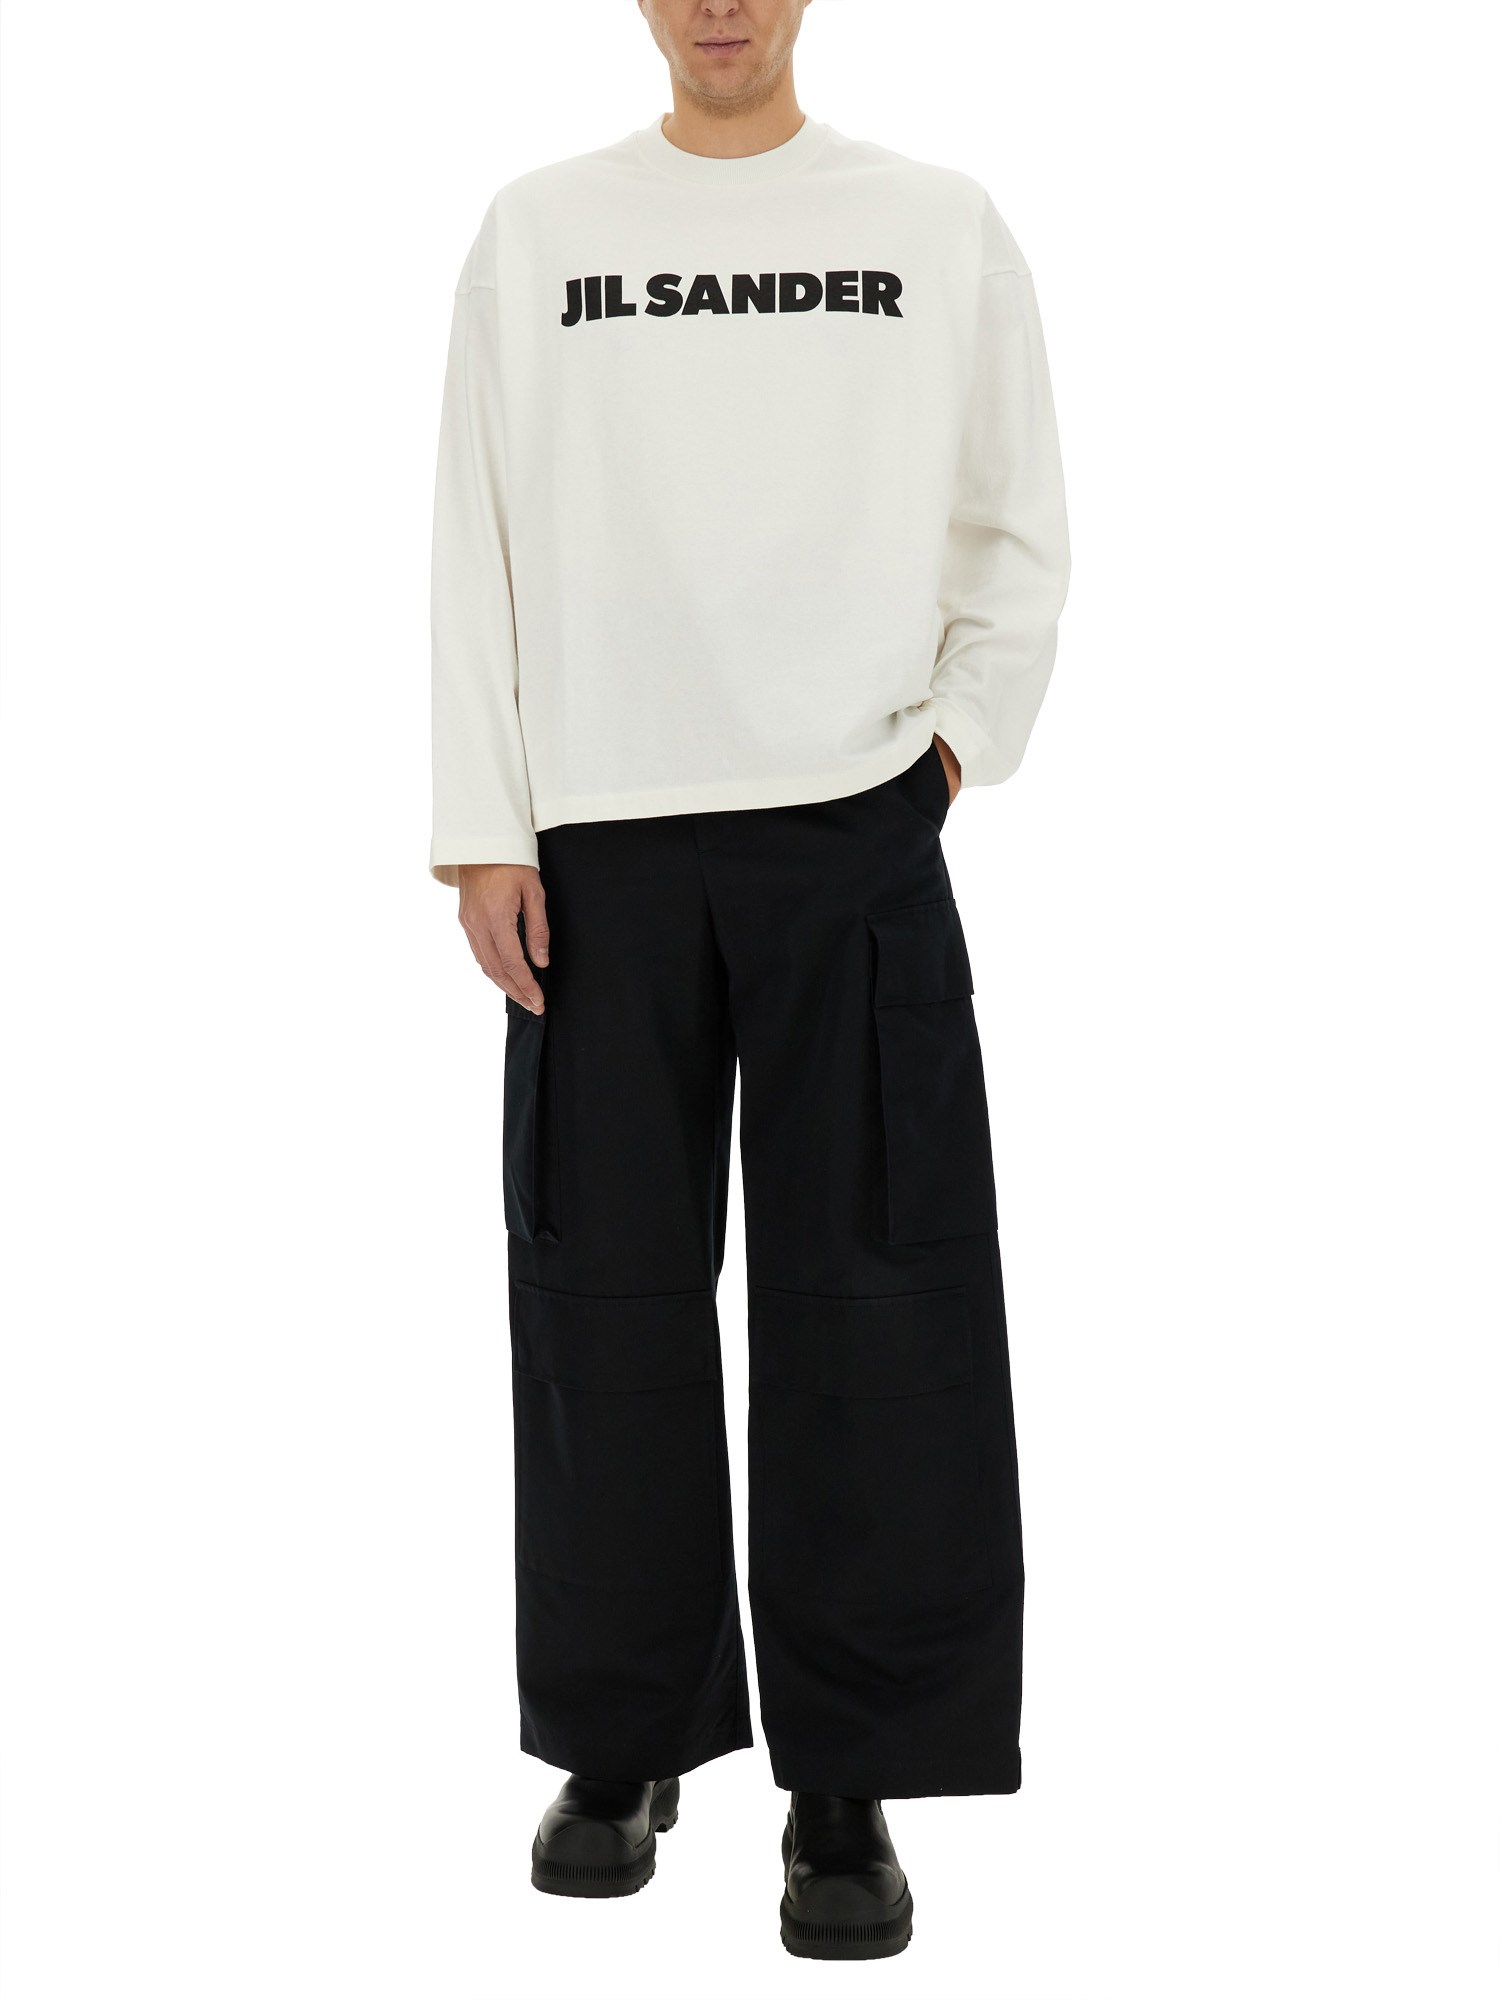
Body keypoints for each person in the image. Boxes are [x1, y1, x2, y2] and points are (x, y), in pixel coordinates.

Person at [428, 0, 1069, 1962]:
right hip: (600, 840)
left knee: (876, 1299)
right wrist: (485, 822)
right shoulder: (540, 230)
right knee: (602, 1297)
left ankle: (845, 1775)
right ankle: (622, 1737)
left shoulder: (934, 224)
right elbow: (474, 533)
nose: (722, 2)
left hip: (849, 830)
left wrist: (946, 756)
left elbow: (1015, 528)